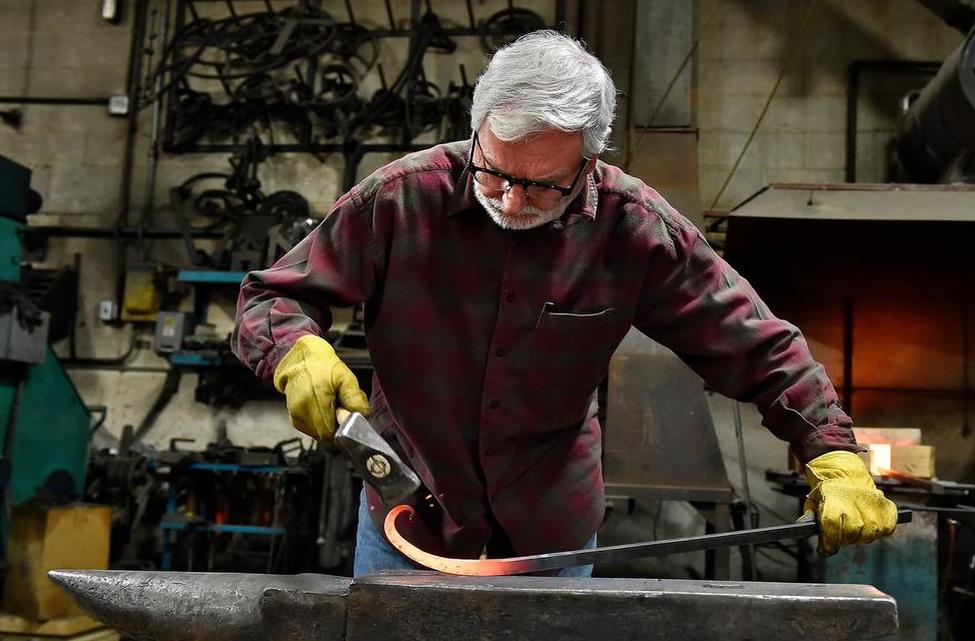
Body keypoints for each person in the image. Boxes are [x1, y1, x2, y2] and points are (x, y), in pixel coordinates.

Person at [232, 30, 897, 578]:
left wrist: (830, 448)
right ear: (476, 129)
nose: (511, 202)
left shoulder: (633, 228)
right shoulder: (400, 200)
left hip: (547, 530)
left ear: (589, 161)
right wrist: (297, 349)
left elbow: (756, 342)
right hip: (411, 516)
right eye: (493, 170)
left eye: (544, 186)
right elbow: (273, 296)